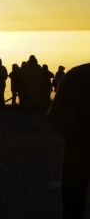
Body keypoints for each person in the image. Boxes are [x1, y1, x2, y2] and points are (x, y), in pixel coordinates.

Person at [49, 63, 90, 218]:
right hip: (76, 152)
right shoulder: (75, 75)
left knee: (73, 206)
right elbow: (55, 115)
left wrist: (75, 134)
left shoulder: (75, 75)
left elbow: (54, 115)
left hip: (76, 151)